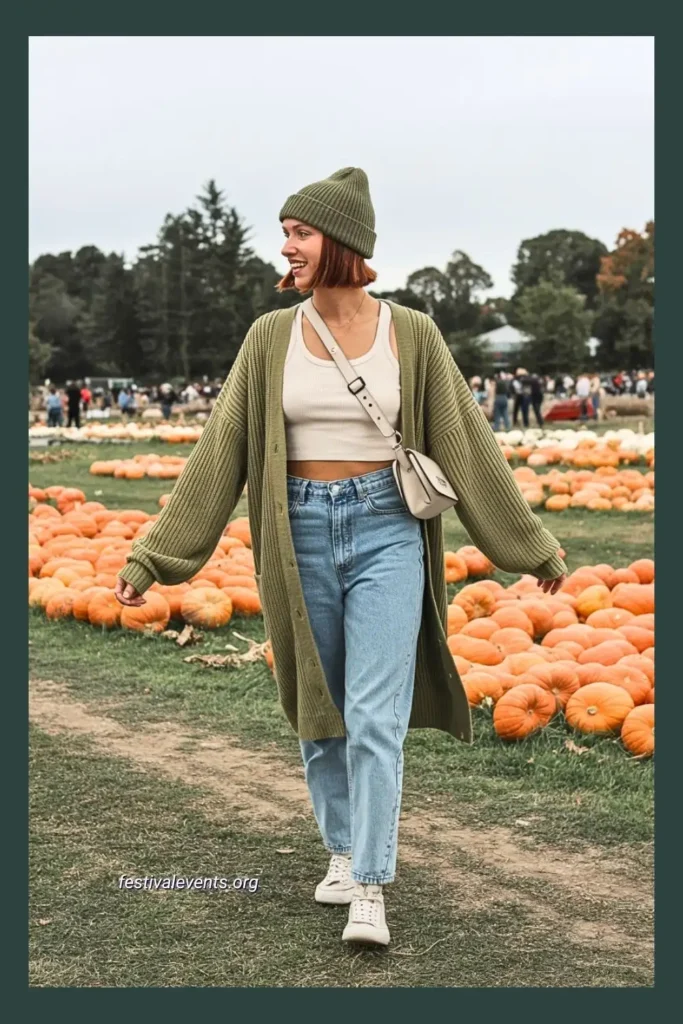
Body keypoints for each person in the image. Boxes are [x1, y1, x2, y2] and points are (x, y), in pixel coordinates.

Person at [114, 166, 566, 948]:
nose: (286, 246)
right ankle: (341, 847)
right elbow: (220, 453)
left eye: (300, 233)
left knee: (372, 716)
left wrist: (527, 545)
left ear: (342, 242)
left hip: (387, 527)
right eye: (285, 232)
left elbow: (466, 443)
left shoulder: (412, 334)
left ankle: (369, 883)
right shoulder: (269, 337)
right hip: (297, 533)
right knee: (319, 714)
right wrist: (154, 557)